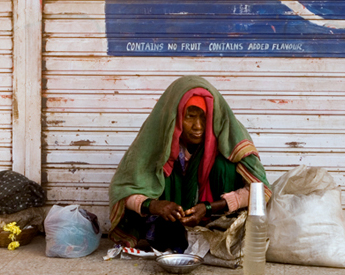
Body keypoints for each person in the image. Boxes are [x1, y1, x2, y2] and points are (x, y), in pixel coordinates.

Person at [108, 75, 271, 252]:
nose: (198, 126)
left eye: (204, 117)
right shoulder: (158, 139)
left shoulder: (229, 139)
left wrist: (209, 208)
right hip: (168, 225)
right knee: (159, 166)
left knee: (225, 165)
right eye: (190, 117)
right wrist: (154, 205)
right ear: (175, 117)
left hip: (216, 221)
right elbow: (121, 190)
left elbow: (261, 191)